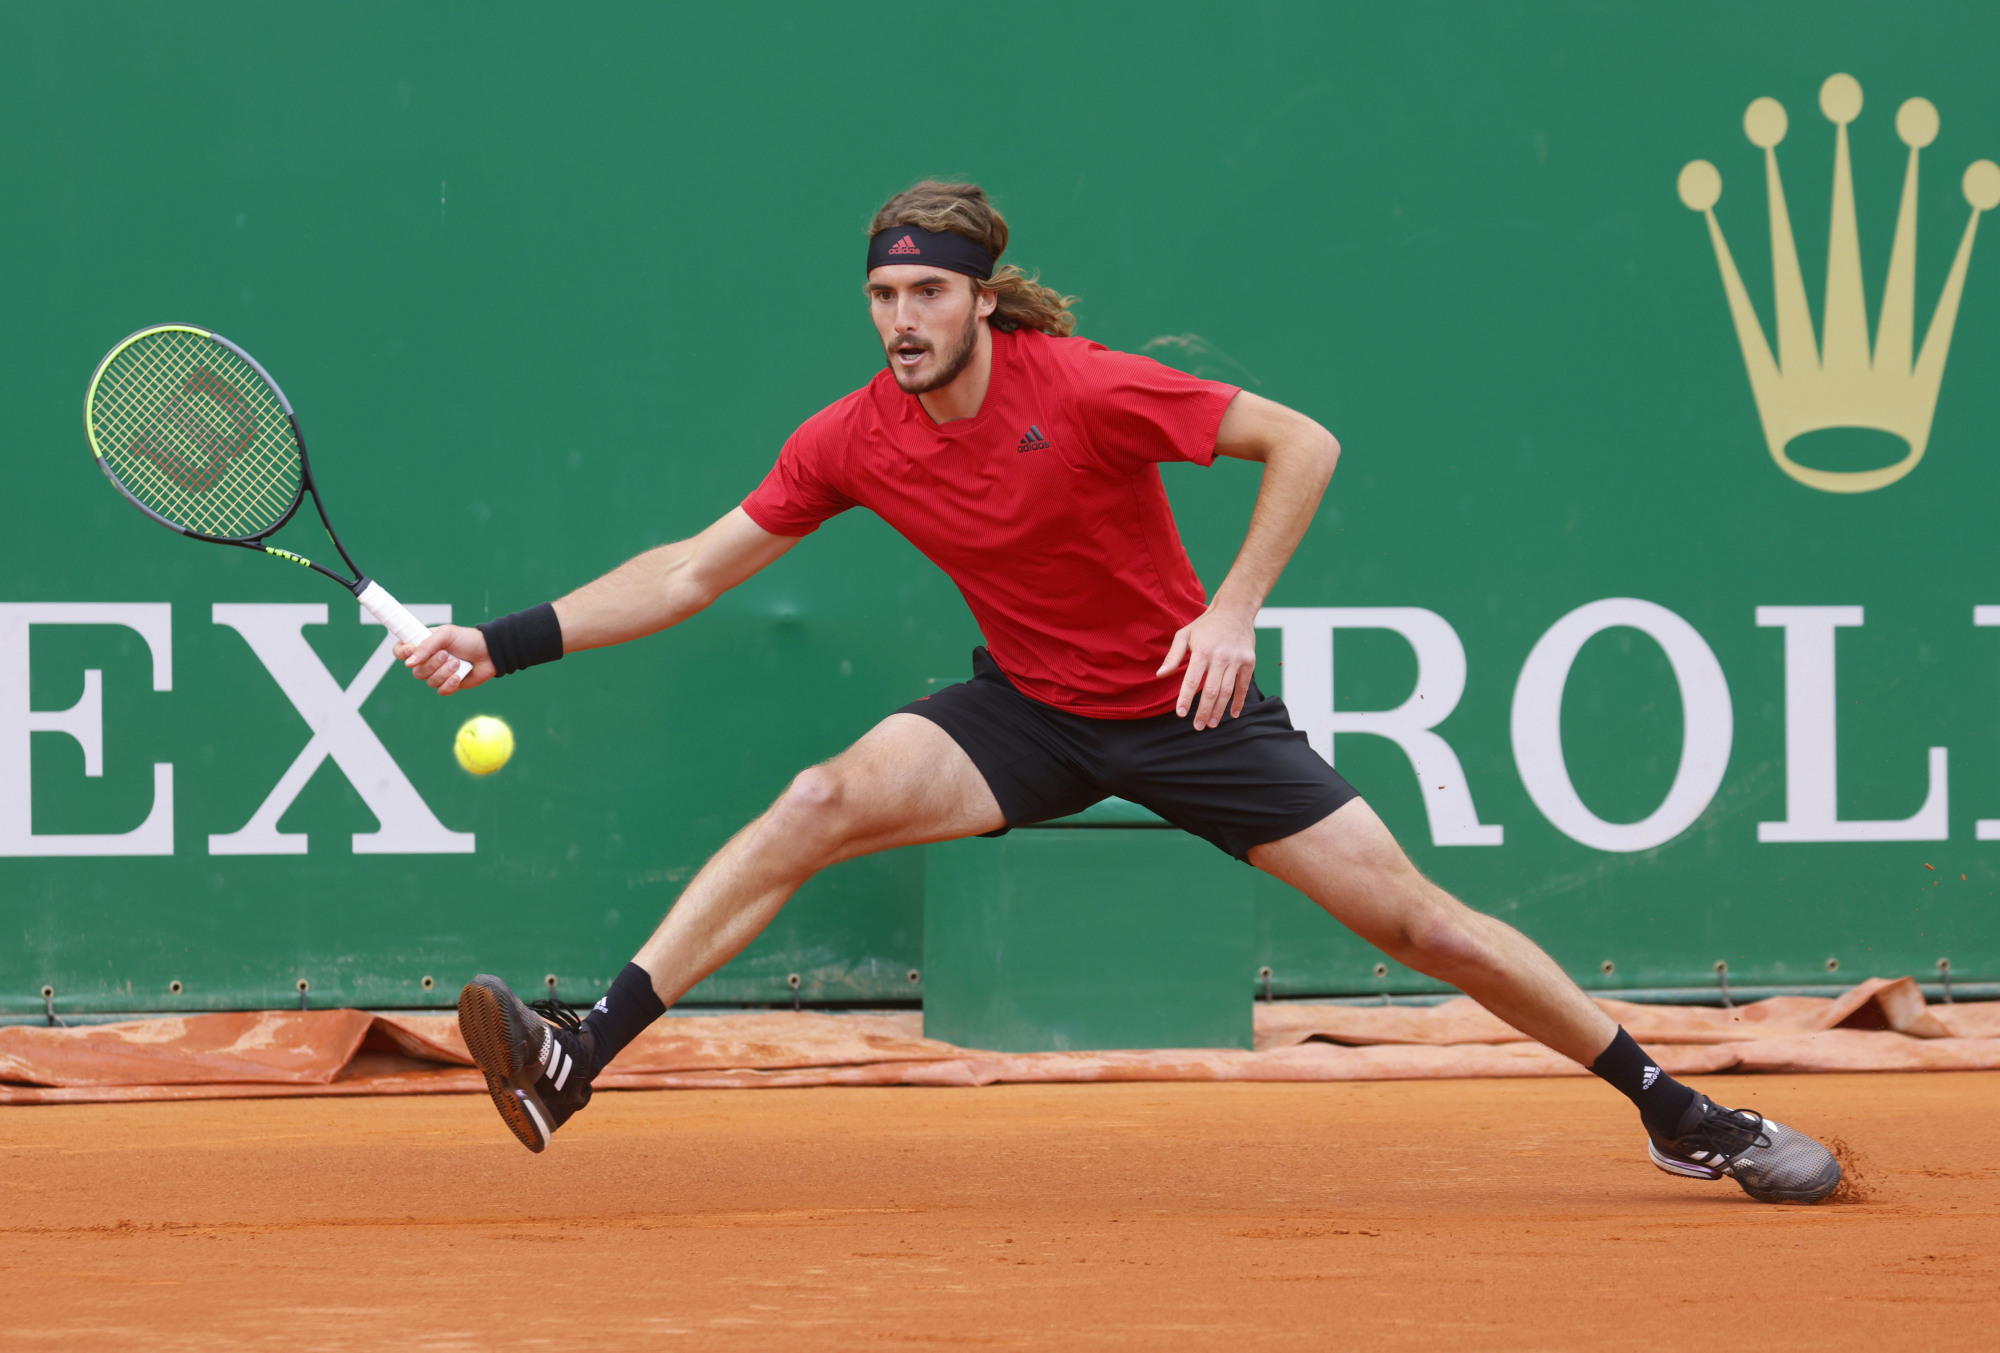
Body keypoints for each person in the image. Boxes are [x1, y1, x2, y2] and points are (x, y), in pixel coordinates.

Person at [401, 181, 1840, 1204]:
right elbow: (691, 570)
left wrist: (1231, 609)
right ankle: (580, 1050)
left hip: (1181, 707)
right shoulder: (855, 435)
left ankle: (1677, 1111)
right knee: (817, 799)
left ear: (978, 296)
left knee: (1422, 921)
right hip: (1026, 709)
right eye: (882, 296)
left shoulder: (1081, 388)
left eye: (925, 294)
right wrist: (503, 640)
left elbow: (1304, 441)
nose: (900, 321)